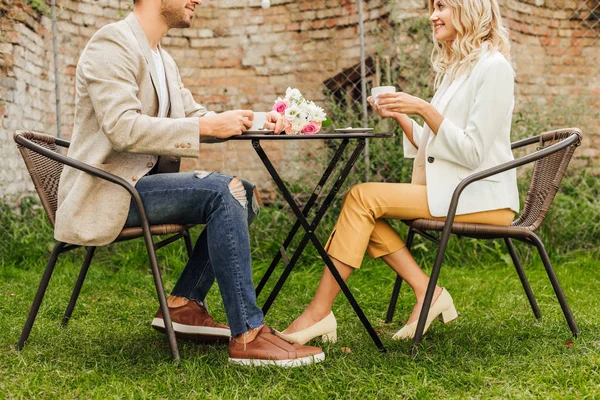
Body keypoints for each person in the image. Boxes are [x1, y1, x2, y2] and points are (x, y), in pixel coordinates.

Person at [54, 0, 324, 367]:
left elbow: (197, 116)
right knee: (222, 190)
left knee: (244, 192)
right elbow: (121, 127)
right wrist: (203, 128)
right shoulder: (112, 44)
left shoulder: (163, 59)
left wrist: (265, 119)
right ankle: (247, 334)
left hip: (142, 187)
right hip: (110, 189)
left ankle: (183, 305)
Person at [278, 0, 519, 344]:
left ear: (470, 10)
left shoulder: (493, 67)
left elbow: (471, 151)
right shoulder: (458, 70)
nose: (433, 15)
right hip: (456, 189)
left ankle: (318, 314)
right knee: (363, 208)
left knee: (362, 197)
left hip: (482, 196)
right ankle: (428, 292)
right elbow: (436, 142)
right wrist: (403, 117)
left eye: (443, 7)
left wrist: (422, 107)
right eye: (432, 7)